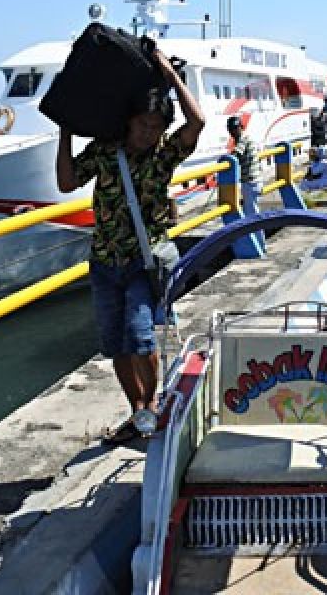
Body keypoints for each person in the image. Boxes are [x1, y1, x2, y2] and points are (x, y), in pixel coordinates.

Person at [56, 47, 205, 445]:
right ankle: (137, 411)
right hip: (104, 263)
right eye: (142, 123)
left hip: (143, 262)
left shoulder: (163, 157)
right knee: (115, 344)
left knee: (140, 337)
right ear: (129, 122)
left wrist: (170, 77)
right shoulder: (106, 152)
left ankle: (152, 403)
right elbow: (67, 183)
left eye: (156, 126)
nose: (148, 133)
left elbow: (198, 122)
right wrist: (65, 129)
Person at [227, 115, 265, 245]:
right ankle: (257, 241)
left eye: (234, 128)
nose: (232, 132)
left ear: (240, 128)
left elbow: (235, 155)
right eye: (231, 129)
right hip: (257, 181)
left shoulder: (242, 140)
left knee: (252, 215)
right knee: (252, 212)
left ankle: (259, 244)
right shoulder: (249, 138)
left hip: (250, 182)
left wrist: (223, 162)